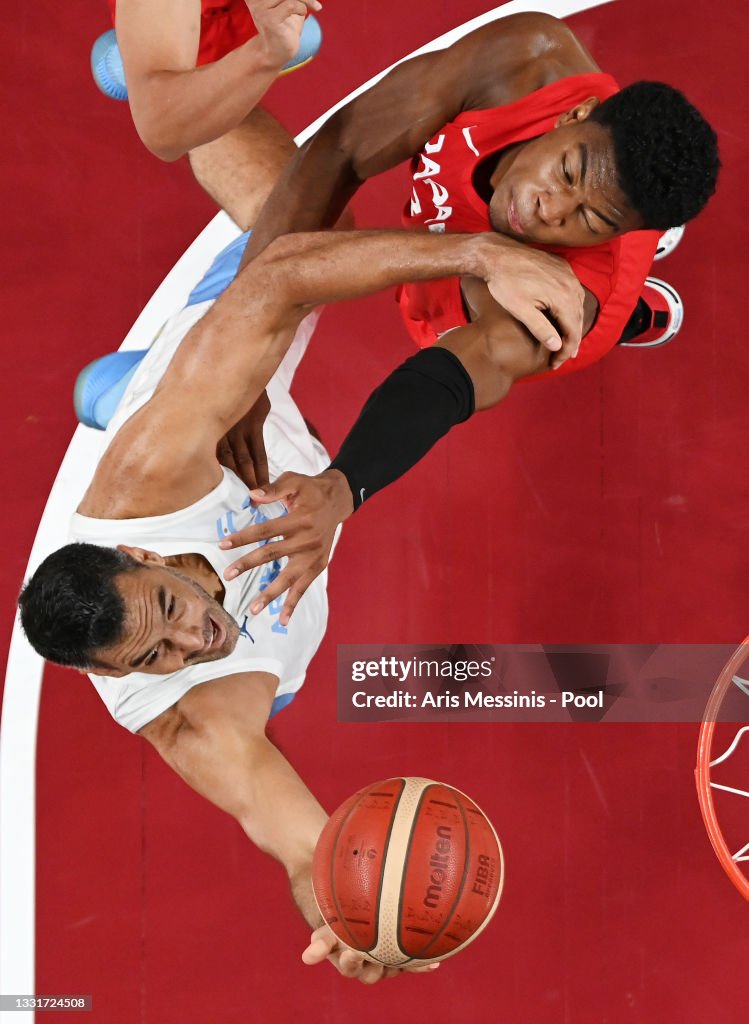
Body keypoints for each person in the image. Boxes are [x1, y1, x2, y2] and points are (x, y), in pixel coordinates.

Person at [19, 102, 579, 977]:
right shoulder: (189, 714)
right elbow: (304, 846)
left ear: (148, 555)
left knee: (312, 223)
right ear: (118, 677)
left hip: (219, 420)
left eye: (166, 608)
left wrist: (484, 251)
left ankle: (173, 71)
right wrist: (359, 920)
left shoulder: (154, 474)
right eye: (154, 656)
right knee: (244, 698)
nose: (190, 639)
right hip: (269, 615)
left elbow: (278, 278)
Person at [208, 11, 719, 621]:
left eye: (590, 220)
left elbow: (447, 380)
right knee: (332, 244)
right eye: (567, 172)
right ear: (574, 115)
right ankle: (636, 247)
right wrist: (243, 359)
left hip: (486, 310)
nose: (548, 210)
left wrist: (342, 485)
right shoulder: (525, 57)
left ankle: (636, 309)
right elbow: (343, 146)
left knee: (578, 313)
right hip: (461, 245)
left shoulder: (567, 305)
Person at [91, 0, 323, 229]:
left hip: (250, 20)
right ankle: (141, 53)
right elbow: (163, 127)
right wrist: (266, 53)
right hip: (196, 46)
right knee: (301, 225)